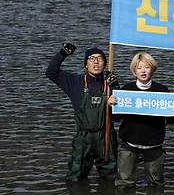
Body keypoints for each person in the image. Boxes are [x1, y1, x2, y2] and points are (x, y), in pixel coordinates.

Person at [45, 43, 119, 182]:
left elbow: (118, 116)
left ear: (105, 64)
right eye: (91, 58)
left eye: (100, 58)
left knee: (111, 177)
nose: (96, 61)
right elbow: (51, 72)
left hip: (106, 136)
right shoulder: (75, 82)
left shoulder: (110, 84)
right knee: (75, 176)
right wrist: (63, 53)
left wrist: (116, 88)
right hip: (83, 137)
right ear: (86, 64)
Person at [111, 52, 174, 188]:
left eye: (147, 67)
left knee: (156, 184)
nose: (143, 71)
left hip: (154, 144)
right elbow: (116, 118)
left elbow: (172, 120)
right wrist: (111, 105)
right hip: (129, 143)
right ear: (134, 71)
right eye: (139, 68)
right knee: (124, 184)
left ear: (152, 69)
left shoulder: (162, 91)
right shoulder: (127, 90)